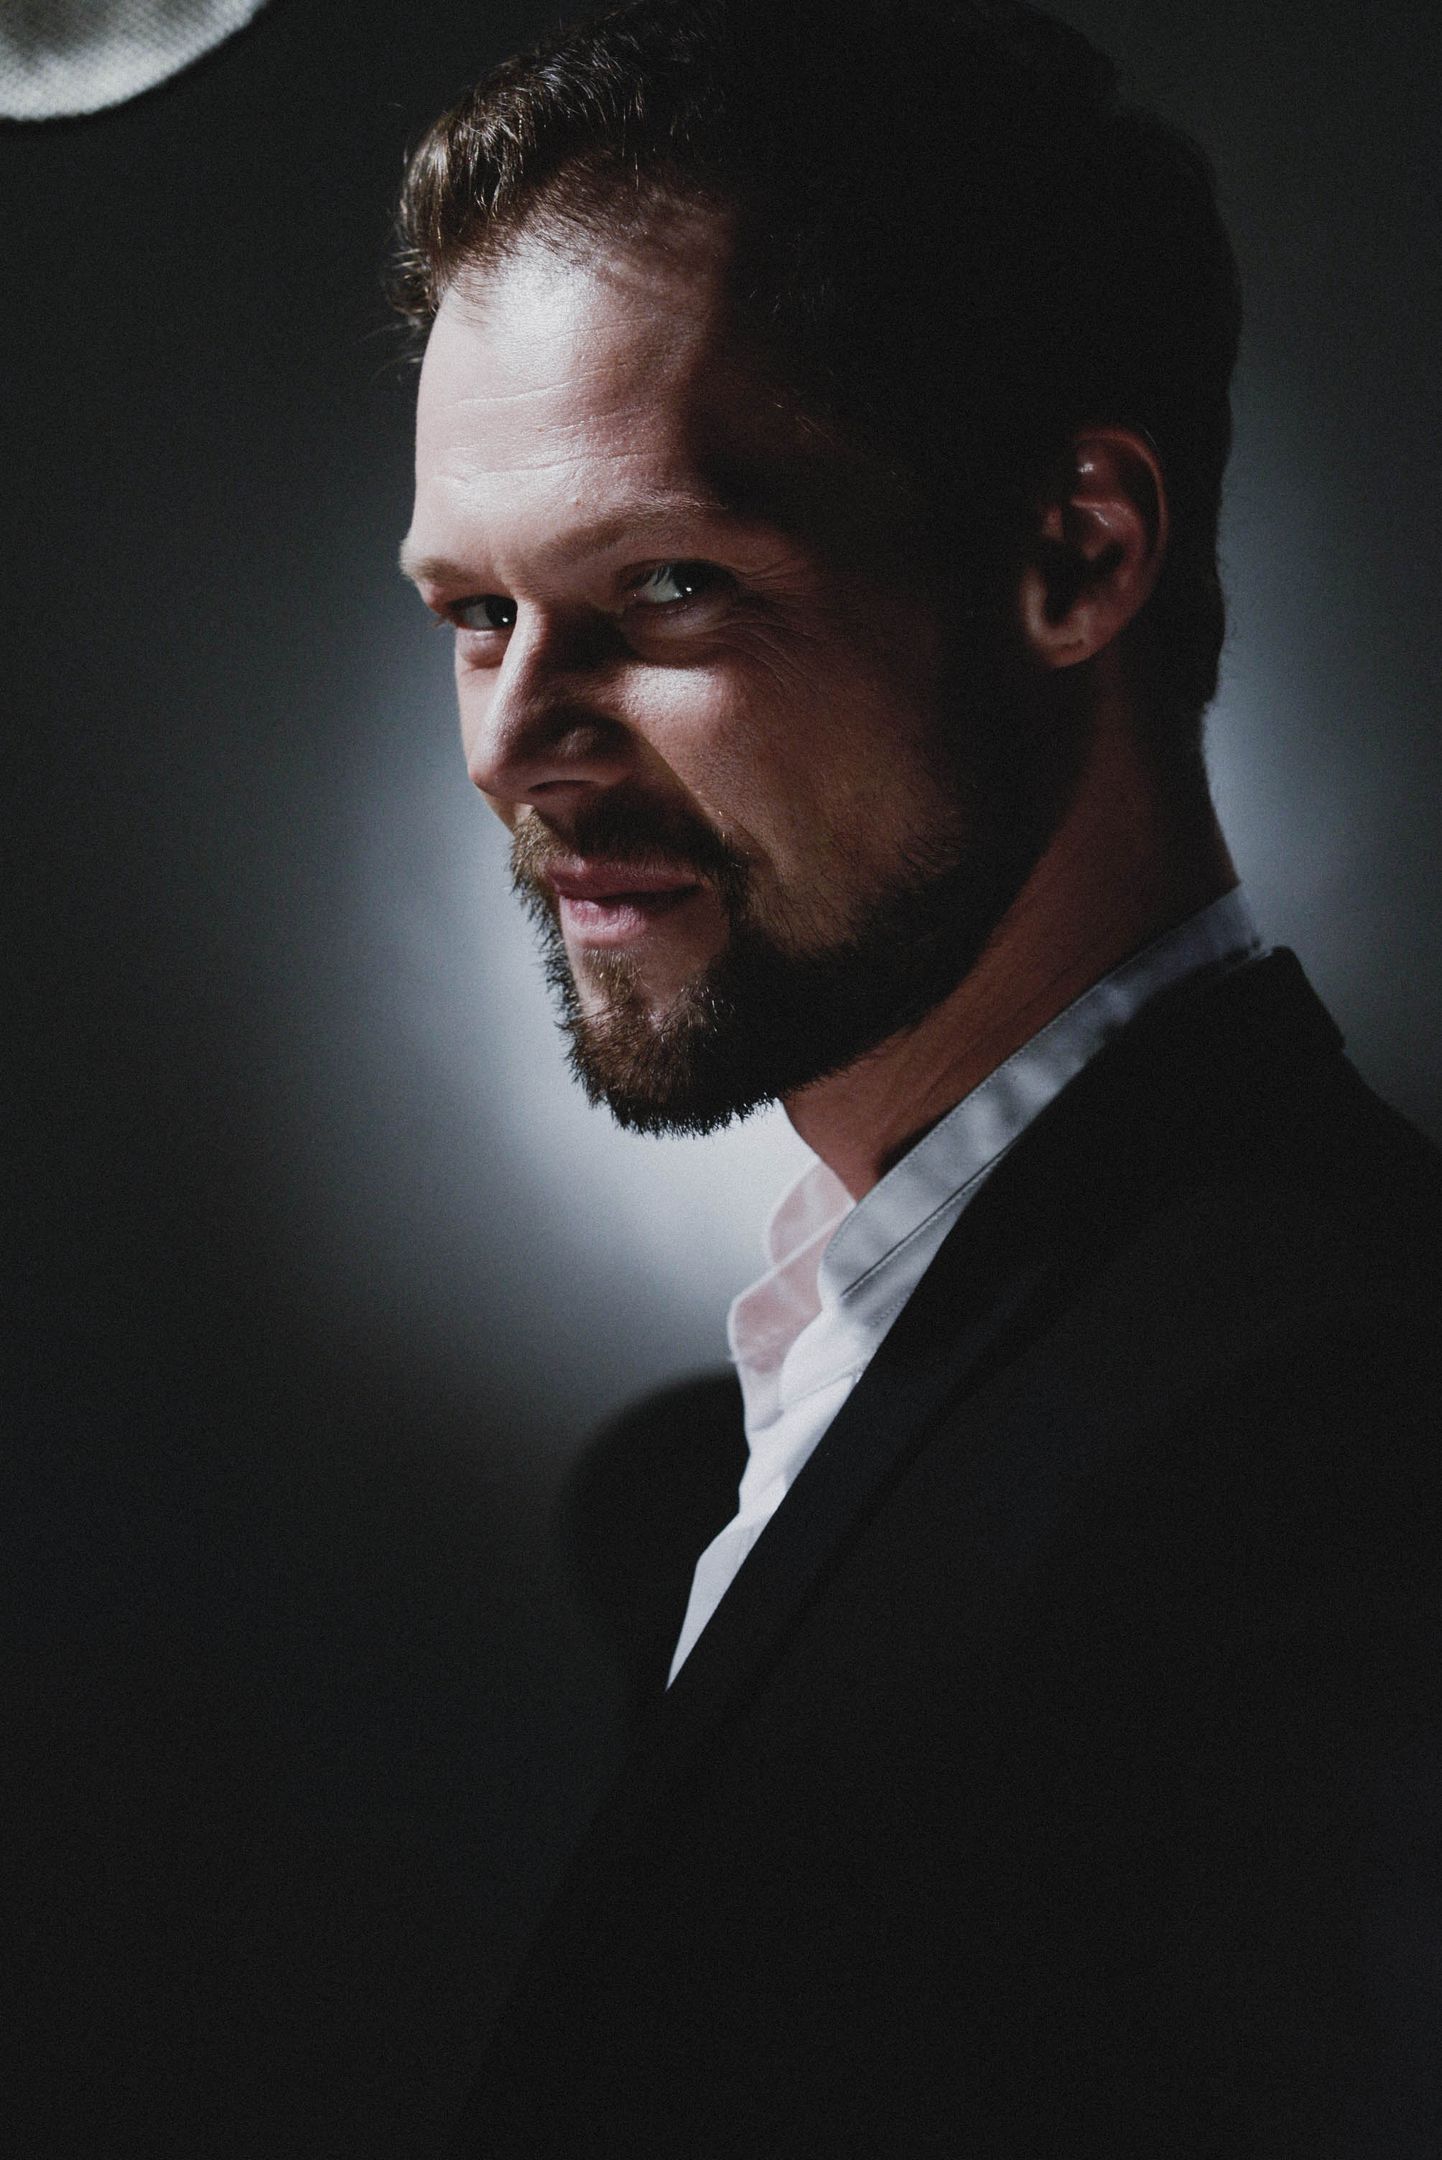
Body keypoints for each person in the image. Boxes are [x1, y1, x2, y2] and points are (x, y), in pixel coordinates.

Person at [395, 1, 1442, 2149]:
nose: (511, 742)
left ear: (1074, 554)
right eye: (474, 612)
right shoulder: (876, 1360)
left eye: (664, 586)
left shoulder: (1327, 1457)